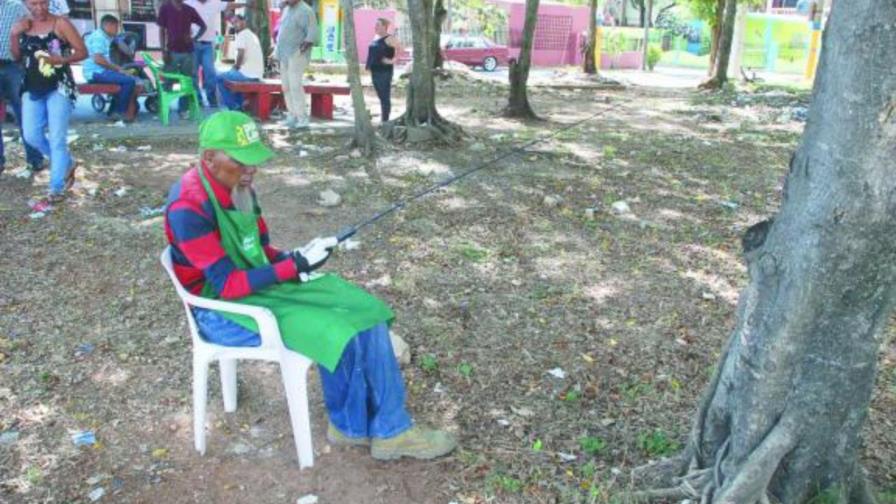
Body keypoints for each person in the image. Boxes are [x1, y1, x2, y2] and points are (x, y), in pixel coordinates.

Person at [164, 110, 458, 461]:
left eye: (255, 161)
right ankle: (387, 431)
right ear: (209, 158)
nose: (251, 170)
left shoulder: (239, 186)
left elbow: (260, 251)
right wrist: (293, 268)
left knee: (362, 309)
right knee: (339, 328)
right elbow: (226, 284)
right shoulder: (188, 206)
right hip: (221, 311)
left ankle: (358, 426)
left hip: (254, 290)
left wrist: (299, 256)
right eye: (241, 162)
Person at [10, 0, 85, 207]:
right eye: (33, 4)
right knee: (31, 135)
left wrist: (60, 60)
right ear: (25, 4)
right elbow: (16, 56)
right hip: (31, 86)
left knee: (57, 139)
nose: (39, 8)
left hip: (59, 87)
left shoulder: (61, 24)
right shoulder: (22, 24)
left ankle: (56, 187)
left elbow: (82, 52)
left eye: (43, 3)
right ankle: (66, 163)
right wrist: (14, 34)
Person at [0, 0, 45, 176]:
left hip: (13, 66)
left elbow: (32, 29)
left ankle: (35, 159)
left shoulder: (16, 6)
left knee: (24, 113)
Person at [83, 15, 143, 122]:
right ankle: (119, 112)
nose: (117, 29)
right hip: (95, 72)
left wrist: (118, 40)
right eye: (116, 26)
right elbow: (98, 59)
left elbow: (128, 52)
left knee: (127, 79)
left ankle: (113, 111)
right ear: (108, 25)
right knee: (129, 81)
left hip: (101, 70)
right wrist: (118, 69)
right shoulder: (98, 37)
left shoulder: (107, 36)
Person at [185, 0, 241, 108]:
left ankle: (212, 99)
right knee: (193, 74)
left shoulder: (214, 2)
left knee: (210, 73)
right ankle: (197, 100)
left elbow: (230, 5)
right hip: (193, 44)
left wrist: (247, 4)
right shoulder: (188, 2)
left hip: (208, 45)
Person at [157, 0, 205, 118]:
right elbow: (161, 30)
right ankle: (163, 108)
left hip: (188, 52)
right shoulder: (165, 7)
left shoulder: (189, 9)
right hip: (171, 52)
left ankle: (182, 109)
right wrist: (163, 50)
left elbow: (203, 26)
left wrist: (194, 38)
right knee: (168, 80)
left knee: (187, 82)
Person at [274, 0, 316, 129]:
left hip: (296, 54)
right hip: (283, 54)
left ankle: (302, 118)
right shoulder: (287, 9)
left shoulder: (305, 11)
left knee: (295, 86)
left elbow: (311, 35)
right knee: (286, 86)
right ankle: (292, 115)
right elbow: (281, 31)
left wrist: (299, 52)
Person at [216, 15, 263, 111]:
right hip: (255, 74)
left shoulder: (242, 34)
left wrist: (236, 67)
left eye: (237, 21)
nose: (235, 25)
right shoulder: (251, 34)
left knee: (219, 78)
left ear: (244, 21)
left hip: (248, 75)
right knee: (232, 77)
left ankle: (233, 106)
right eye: (233, 23)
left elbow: (240, 54)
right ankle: (239, 104)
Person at [365, 17, 399, 123]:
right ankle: (384, 119)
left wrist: (392, 60)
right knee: (380, 96)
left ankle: (385, 120)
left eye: (378, 25)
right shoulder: (376, 38)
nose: (375, 27)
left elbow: (401, 50)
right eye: (375, 25)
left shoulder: (390, 38)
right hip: (375, 70)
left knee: (384, 96)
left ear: (384, 27)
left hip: (384, 71)